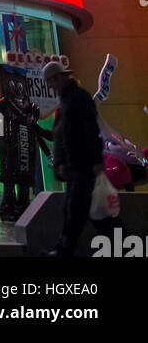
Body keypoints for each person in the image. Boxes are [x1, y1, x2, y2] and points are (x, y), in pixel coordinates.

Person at [45, 61, 108, 256]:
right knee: (84, 211)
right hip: (78, 167)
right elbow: (63, 136)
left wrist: (96, 162)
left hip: (84, 166)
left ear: (58, 78)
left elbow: (91, 131)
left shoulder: (78, 99)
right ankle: (64, 248)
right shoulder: (66, 102)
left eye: (51, 81)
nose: (50, 86)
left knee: (76, 209)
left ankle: (64, 249)